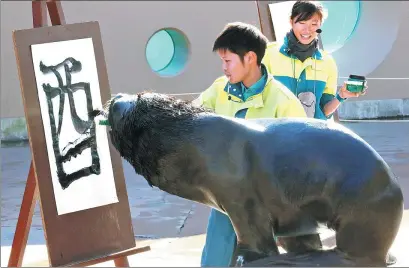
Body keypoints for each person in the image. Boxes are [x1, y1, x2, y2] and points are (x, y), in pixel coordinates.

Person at [193, 22, 307, 267]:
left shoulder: (283, 102)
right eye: (222, 61)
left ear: (251, 58)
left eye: (228, 61)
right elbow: (190, 118)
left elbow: (302, 155)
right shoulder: (218, 90)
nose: (223, 68)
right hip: (226, 196)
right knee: (216, 258)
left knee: (267, 259)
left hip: (268, 201)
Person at [262, 0, 366, 120]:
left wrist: (341, 96)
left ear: (320, 25)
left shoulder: (327, 62)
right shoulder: (268, 54)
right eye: (302, 22)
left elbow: (324, 111)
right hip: (277, 134)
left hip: (312, 135)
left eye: (314, 24)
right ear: (291, 22)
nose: (307, 30)